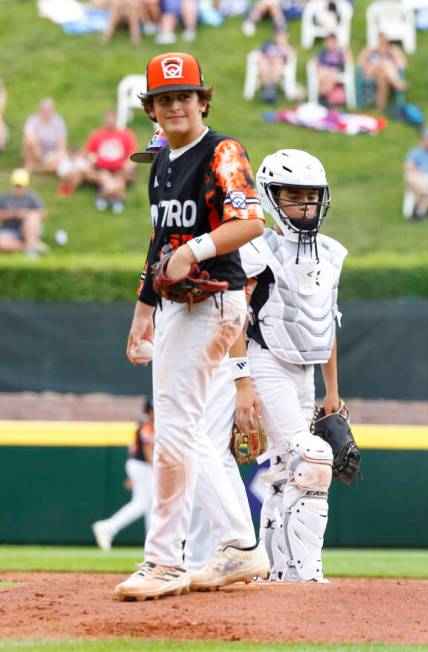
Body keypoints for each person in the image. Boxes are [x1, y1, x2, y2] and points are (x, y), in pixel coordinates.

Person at [115, 51, 267, 601]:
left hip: (213, 301)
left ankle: (164, 560)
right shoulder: (162, 163)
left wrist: (197, 249)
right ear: (152, 110)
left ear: (203, 100)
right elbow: (160, 245)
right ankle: (239, 547)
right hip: (178, 305)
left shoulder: (220, 150)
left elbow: (251, 220)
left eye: (184, 96)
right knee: (194, 433)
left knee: (175, 429)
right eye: (164, 98)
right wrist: (143, 309)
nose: (174, 105)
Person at [236, 148, 345, 582]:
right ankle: (306, 574)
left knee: (285, 471)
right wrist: (239, 380)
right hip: (266, 361)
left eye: (311, 195)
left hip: (306, 373)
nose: (304, 205)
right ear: (270, 196)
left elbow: (328, 325)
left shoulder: (333, 254)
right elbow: (233, 318)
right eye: (293, 195)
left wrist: (332, 392)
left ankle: (275, 571)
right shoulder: (254, 249)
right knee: (313, 458)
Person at [92, 399, 156, 551]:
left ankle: (151, 543)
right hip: (144, 466)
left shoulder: (146, 425)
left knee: (146, 505)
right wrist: (156, 471)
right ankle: (109, 527)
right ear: (148, 411)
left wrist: (133, 476)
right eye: (154, 409)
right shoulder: (147, 426)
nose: (157, 411)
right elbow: (148, 452)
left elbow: (133, 448)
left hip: (139, 467)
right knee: (147, 505)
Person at [60, 109, 138, 213]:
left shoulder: (126, 134)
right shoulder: (97, 135)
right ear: (104, 120)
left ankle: (104, 197)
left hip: (119, 169)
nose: (110, 122)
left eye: (113, 119)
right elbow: (86, 153)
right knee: (104, 177)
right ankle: (115, 198)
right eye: (108, 120)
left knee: (120, 179)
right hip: (101, 169)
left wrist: (128, 165)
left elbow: (133, 154)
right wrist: (91, 157)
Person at [0, 168, 49, 257]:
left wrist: (26, 214)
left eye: (21, 186)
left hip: (29, 229)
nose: (18, 188)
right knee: (2, 243)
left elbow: (43, 214)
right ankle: (31, 247)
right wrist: (10, 214)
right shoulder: (5, 198)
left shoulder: (32, 197)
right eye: (16, 185)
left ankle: (31, 245)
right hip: (10, 231)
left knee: (33, 216)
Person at [357, 32, 408, 113]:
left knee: (383, 77)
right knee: (385, 63)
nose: (382, 41)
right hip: (371, 72)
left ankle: (380, 108)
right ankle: (396, 82)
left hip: (383, 74)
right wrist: (378, 63)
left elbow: (402, 64)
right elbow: (360, 64)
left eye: (384, 39)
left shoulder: (393, 50)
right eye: (380, 39)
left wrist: (394, 55)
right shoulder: (370, 50)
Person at [22, 98, 67, 174]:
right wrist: (36, 146)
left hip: (52, 152)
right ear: (40, 110)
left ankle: (38, 168)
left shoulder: (58, 121)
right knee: (28, 141)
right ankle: (31, 163)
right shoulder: (33, 120)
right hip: (36, 149)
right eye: (44, 110)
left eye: (49, 110)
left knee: (61, 159)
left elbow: (62, 141)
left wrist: (60, 154)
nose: (46, 112)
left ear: (53, 110)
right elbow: (29, 134)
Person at [257, 28, 296, 104]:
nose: (280, 38)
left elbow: (292, 55)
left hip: (279, 65)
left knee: (277, 64)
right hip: (267, 63)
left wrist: (284, 46)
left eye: (282, 36)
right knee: (264, 66)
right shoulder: (267, 44)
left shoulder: (288, 46)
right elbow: (260, 54)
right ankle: (268, 91)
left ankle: (269, 91)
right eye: (278, 35)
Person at [313, 32, 351, 105]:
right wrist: (315, 65)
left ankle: (322, 96)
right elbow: (314, 61)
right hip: (323, 70)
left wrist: (345, 49)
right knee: (323, 75)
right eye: (328, 41)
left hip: (334, 71)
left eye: (332, 42)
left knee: (330, 76)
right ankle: (322, 96)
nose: (330, 44)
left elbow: (348, 61)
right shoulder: (323, 52)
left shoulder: (339, 53)